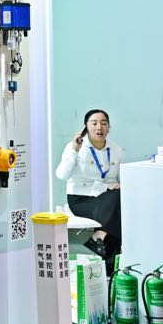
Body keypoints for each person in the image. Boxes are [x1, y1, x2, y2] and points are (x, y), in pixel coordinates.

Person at [55, 109, 122, 269]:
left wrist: (122, 185)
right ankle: (110, 267)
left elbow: (120, 178)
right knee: (116, 205)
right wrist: (74, 150)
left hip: (107, 198)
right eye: (94, 123)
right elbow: (62, 175)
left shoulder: (115, 149)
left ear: (109, 128)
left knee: (120, 200)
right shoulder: (76, 147)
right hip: (81, 198)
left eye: (104, 123)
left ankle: (100, 237)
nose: (99, 127)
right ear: (86, 127)